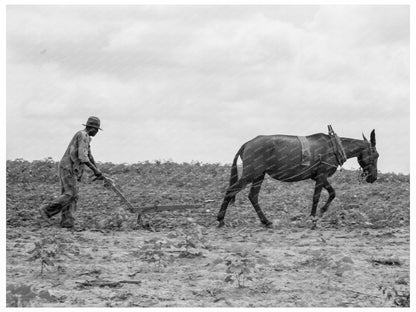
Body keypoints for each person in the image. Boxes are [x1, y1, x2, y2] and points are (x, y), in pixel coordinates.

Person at [38, 116, 104, 228]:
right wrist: (95, 170)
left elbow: (89, 155)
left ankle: (67, 223)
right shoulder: (82, 135)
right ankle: (46, 210)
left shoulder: (86, 138)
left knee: (73, 195)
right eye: (97, 130)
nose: (97, 132)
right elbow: (83, 157)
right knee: (71, 194)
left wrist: (97, 171)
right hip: (68, 167)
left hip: (72, 168)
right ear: (93, 129)